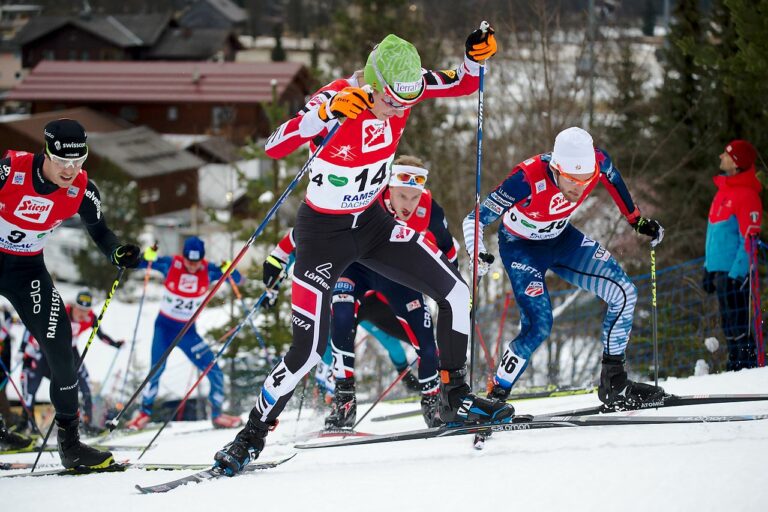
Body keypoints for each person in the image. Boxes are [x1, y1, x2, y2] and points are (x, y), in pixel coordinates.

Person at [214, 27, 514, 476]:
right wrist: (325, 115)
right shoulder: (337, 97)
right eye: (392, 100)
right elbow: (275, 144)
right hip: (322, 236)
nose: (400, 110)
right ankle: (251, 434)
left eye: (407, 103)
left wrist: (474, 58)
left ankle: (455, 396)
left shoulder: (405, 89)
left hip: (373, 225)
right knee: (308, 351)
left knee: (454, 293)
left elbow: (466, 82)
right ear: (372, 84)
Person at [463, 126, 666, 411]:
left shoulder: (597, 163)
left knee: (624, 293)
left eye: (586, 180)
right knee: (539, 326)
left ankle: (614, 383)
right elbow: (474, 219)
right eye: (572, 180)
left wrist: (635, 220)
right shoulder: (525, 179)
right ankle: (496, 395)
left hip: (562, 239)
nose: (579, 188)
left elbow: (613, 177)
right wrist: (478, 253)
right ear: (556, 168)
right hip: (521, 248)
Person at [0, 118, 141, 469]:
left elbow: (100, 230)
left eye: (77, 162)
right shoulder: (9, 170)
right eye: (62, 161)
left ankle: (71, 446)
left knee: (61, 347)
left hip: (26, 270)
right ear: (45, 153)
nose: (70, 170)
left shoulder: (81, 188)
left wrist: (116, 252)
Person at [125, 237, 244, 430]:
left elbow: (238, 280)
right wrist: (147, 255)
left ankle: (217, 414)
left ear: (202, 259)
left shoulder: (209, 270)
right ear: (184, 256)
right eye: (189, 261)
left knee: (214, 370)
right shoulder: (171, 264)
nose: (192, 267)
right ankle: (144, 413)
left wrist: (228, 267)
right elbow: (140, 264)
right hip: (164, 328)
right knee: (156, 370)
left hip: (188, 333)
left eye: (196, 263)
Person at [17, 290, 124, 434]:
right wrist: (22, 348)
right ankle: (28, 426)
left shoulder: (91, 318)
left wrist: (115, 344)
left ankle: (87, 424)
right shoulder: (61, 313)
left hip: (69, 350)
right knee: (30, 388)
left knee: (84, 382)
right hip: (43, 350)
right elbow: (32, 325)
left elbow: (100, 335)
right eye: (79, 309)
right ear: (74, 306)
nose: (82, 314)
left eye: (86, 310)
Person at [702, 140, 762, 371]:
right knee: (728, 322)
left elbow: (749, 239)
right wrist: (708, 269)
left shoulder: (747, 195)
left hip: (735, 273)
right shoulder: (723, 192)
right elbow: (713, 236)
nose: (721, 157)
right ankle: (734, 363)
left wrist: (738, 273)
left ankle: (746, 364)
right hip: (719, 271)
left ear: (736, 163)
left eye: (726, 155)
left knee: (739, 323)